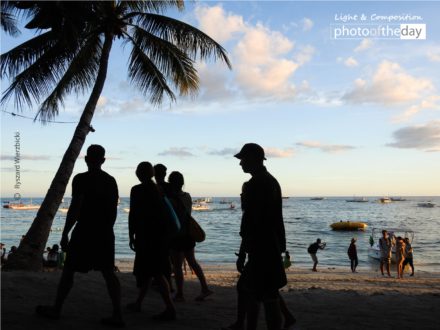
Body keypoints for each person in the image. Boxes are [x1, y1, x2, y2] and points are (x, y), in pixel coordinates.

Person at [35, 144, 124, 327]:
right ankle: (118, 314)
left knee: (69, 271)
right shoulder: (110, 180)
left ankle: (57, 309)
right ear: (103, 160)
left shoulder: (80, 179)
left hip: (84, 230)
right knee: (108, 273)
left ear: (86, 159)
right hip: (105, 232)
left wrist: (66, 232)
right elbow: (113, 211)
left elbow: (76, 207)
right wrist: (107, 229)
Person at [232, 143, 293, 330]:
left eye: (243, 159)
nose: (240, 163)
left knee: (262, 293)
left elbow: (251, 222)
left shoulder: (255, 184)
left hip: (261, 246)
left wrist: (243, 252)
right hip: (270, 244)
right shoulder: (271, 181)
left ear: (253, 159)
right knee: (261, 292)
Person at [126, 162, 176, 320]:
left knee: (155, 272)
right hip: (160, 236)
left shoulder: (137, 189)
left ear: (139, 173)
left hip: (146, 237)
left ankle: (170, 309)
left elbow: (133, 214)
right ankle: (139, 303)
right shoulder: (158, 189)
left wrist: (130, 234)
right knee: (150, 272)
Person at [168, 171, 213, 302]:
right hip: (188, 234)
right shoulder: (188, 196)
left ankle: (180, 294)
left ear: (171, 183)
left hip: (177, 235)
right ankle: (205, 288)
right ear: (182, 183)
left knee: (177, 266)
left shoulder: (170, 200)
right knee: (192, 261)